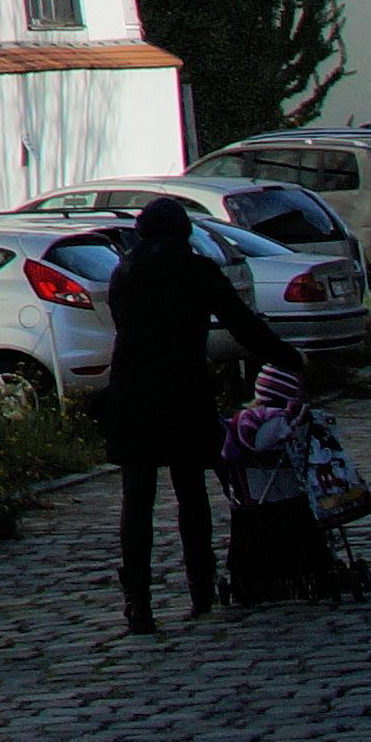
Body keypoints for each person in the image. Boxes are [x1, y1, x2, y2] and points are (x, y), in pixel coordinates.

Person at [103, 192, 297, 633]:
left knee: (137, 500)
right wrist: (286, 357)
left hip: (131, 394)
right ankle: (201, 588)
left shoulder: (125, 274)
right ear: (185, 233)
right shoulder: (197, 272)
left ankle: (138, 602)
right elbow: (242, 324)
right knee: (190, 492)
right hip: (183, 390)